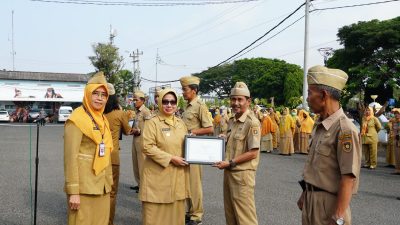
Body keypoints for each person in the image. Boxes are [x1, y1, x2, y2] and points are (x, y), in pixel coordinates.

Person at [297, 65, 361, 225]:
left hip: (330, 206)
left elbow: (348, 177)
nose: (307, 99)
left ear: (324, 95)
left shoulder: (345, 130)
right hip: (312, 200)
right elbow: (316, 167)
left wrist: (338, 216)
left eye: (310, 93)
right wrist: (305, 193)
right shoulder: (320, 125)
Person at [64, 71, 113, 225]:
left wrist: (109, 183)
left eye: (103, 95)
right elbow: (70, 158)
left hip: (102, 186)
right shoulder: (76, 120)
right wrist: (73, 192)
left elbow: (106, 153)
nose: (99, 98)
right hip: (84, 188)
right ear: (87, 94)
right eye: (95, 93)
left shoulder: (103, 119)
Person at [140, 88, 190, 225]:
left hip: (178, 178)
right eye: (165, 101)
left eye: (173, 102)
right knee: (155, 218)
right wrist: (171, 158)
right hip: (158, 178)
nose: (169, 105)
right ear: (160, 103)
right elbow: (147, 146)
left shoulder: (181, 123)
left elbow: (186, 145)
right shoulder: (152, 122)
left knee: (175, 218)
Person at [213, 81, 260, 225]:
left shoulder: (252, 123)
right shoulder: (232, 120)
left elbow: (253, 153)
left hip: (242, 176)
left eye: (240, 99)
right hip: (229, 173)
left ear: (248, 101)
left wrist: (231, 162)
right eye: (233, 99)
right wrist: (224, 139)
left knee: (245, 218)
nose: (236, 103)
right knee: (231, 215)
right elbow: (235, 142)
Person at [180, 75, 213, 225]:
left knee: (194, 183)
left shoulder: (200, 106)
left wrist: (193, 132)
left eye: (184, 89)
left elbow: (209, 128)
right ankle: (190, 211)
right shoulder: (187, 106)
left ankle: (197, 215)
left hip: (195, 150)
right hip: (185, 149)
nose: (183, 92)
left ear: (193, 90)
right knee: (186, 183)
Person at [104, 83, 133, 225]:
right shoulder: (119, 113)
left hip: (97, 156)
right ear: (115, 97)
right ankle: (108, 222)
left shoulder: (98, 112)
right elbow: (128, 131)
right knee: (112, 192)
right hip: (113, 156)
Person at [130, 90, 152, 192]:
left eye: (136, 100)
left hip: (142, 140)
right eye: (133, 100)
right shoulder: (137, 111)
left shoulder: (146, 111)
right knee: (135, 163)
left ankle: (144, 185)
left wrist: (139, 131)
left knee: (142, 164)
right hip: (135, 139)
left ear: (142, 101)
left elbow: (148, 128)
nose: (134, 102)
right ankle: (139, 183)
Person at [391, 108, 400, 175]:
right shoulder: (394, 122)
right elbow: (393, 130)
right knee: (397, 155)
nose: (396, 115)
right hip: (396, 140)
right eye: (395, 114)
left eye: (398, 113)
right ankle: (397, 169)